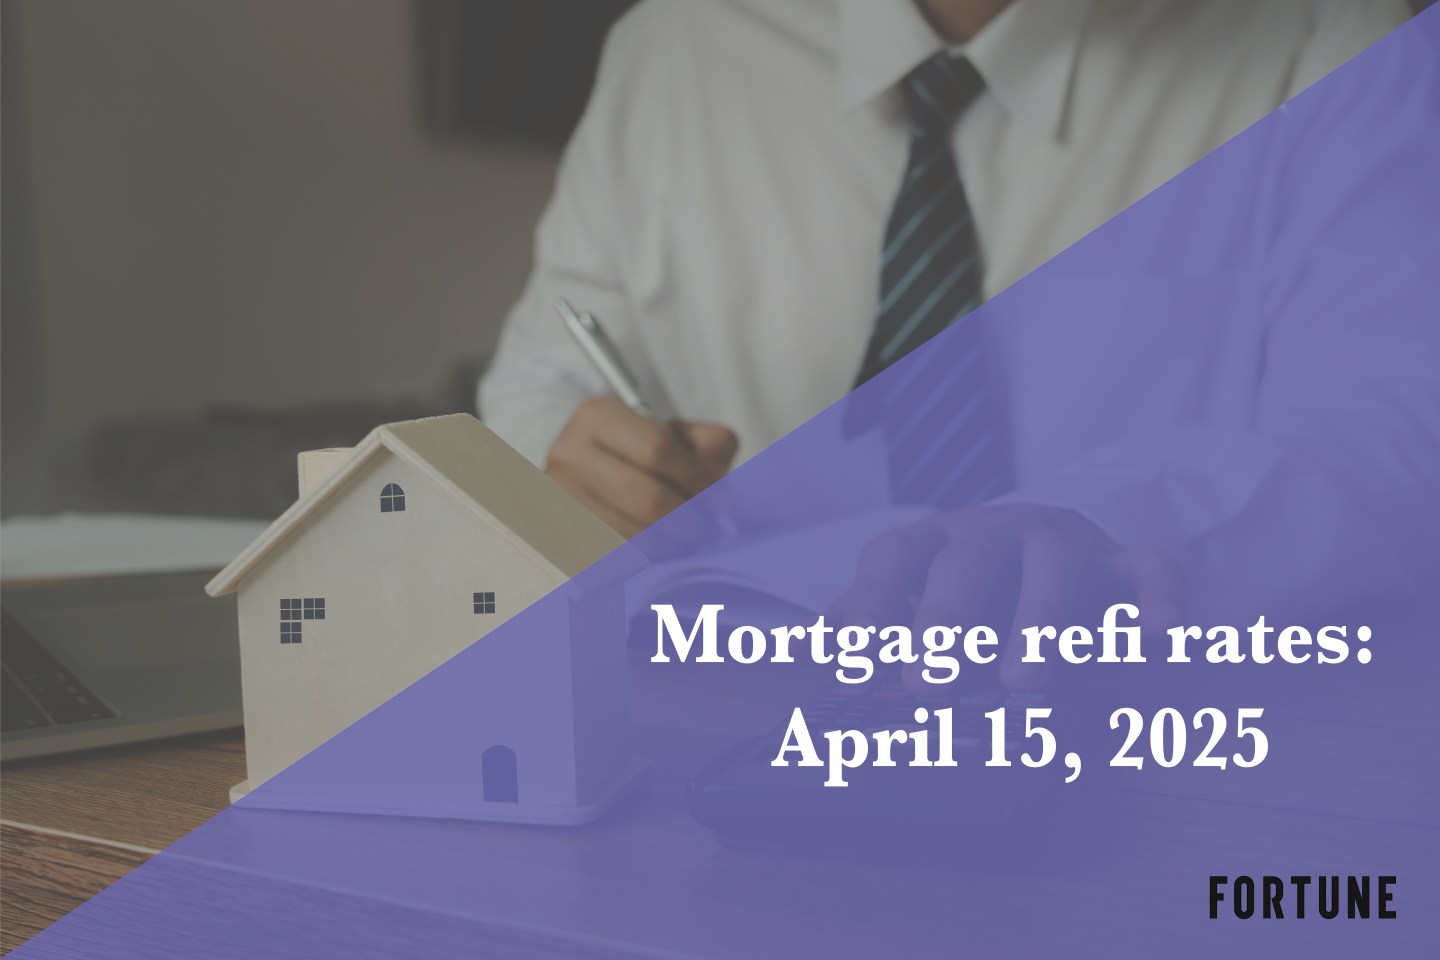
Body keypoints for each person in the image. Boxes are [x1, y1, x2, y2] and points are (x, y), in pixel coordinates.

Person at [481, 0, 1435, 687]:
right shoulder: (672, 48)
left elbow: (1390, 434)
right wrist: (570, 475)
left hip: (1136, 725)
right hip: (730, 716)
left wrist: (1107, 519)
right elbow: (542, 384)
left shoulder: (1334, 41)